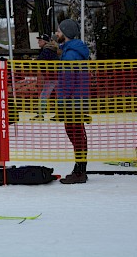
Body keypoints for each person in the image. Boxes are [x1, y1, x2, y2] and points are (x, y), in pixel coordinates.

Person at [55, 19, 91, 184]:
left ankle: (80, 171)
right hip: (78, 100)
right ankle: (80, 169)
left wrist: (61, 102)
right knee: (78, 134)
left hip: (72, 102)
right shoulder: (74, 51)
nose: (57, 34)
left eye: (59, 31)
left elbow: (67, 81)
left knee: (75, 134)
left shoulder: (70, 54)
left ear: (66, 34)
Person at [31, 34, 59, 121]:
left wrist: (33, 61)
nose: (38, 42)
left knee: (44, 95)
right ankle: (61, 114)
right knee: (60, 96)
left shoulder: (47, 50)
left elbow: (40, 60)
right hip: (55, 76)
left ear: (45, 42)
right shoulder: (50, 50)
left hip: (52, 78)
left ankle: (40, 114)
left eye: (40, 40)